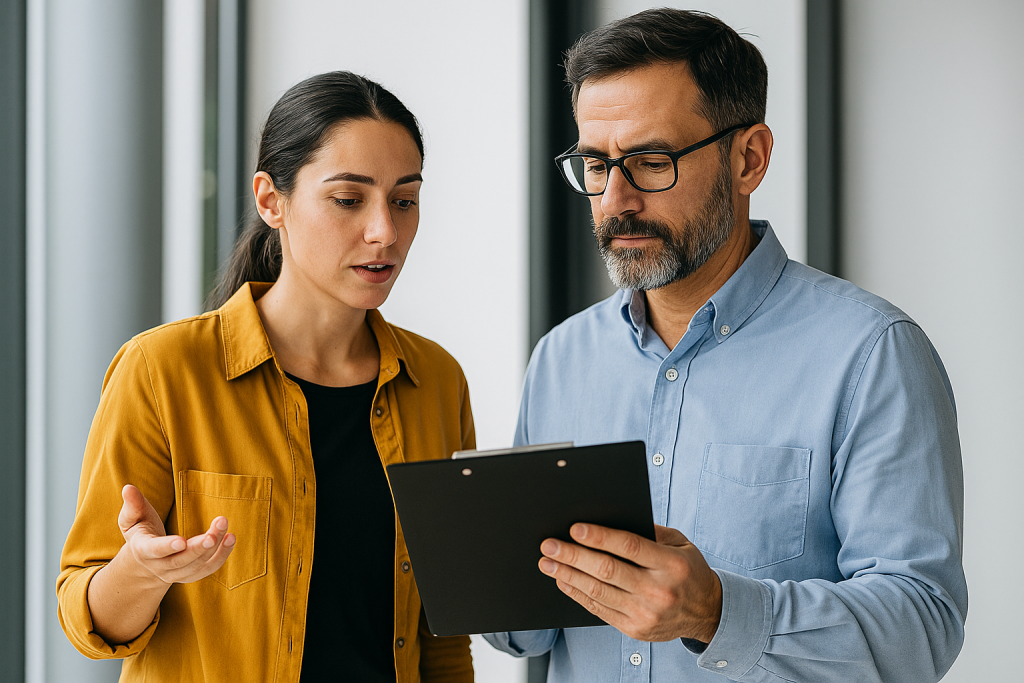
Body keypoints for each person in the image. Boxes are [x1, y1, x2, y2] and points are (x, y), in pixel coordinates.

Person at [485, 9, 966, 683]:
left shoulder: (872, 355)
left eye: (650, 162)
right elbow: (526, 630)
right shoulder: (561, 357)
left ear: (749, 159)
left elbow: (921, 628)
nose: (616, 199)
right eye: (596, 164)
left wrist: (716, 611)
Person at [57, 71, 475, 683]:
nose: (384, 231)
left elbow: (443, 633)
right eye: (348, 199)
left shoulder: (435, 380)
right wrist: (144, 570)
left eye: (404, 200)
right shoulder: (163, 370)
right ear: (271, 200)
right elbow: (86, 620)